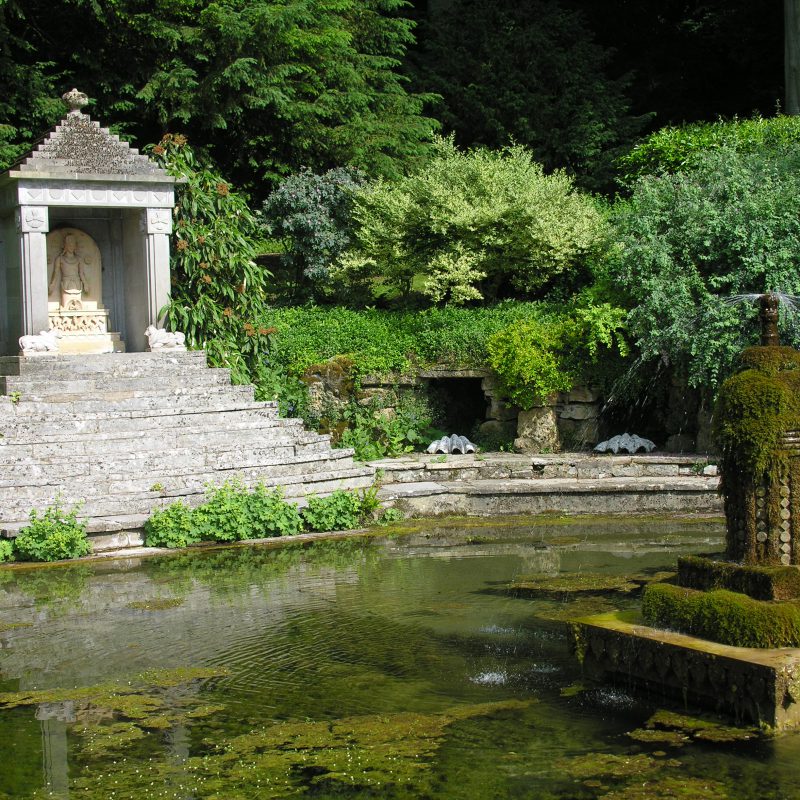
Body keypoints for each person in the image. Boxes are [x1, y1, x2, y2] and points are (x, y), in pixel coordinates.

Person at [49, 232, 89, 309]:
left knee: (77, 306)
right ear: (65, 245)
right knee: (66, 306)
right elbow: (56, 273)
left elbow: (81, 273)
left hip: (77, 283)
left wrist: (85, 284)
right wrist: (52, 285)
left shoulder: (79, 259)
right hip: (66, 283)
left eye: (73, 244)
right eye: (69, 244)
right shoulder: (60, 259)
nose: (71, 246)